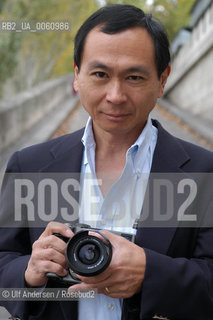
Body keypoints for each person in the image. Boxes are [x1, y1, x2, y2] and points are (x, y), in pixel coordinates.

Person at [0, 3, 213, 320]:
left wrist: (149, 273)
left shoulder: (203, 171)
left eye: (134, 77)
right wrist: (28, 272)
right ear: (76, 75)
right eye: (100, 74)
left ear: (162, 80)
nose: (115, 95)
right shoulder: (29, 165)